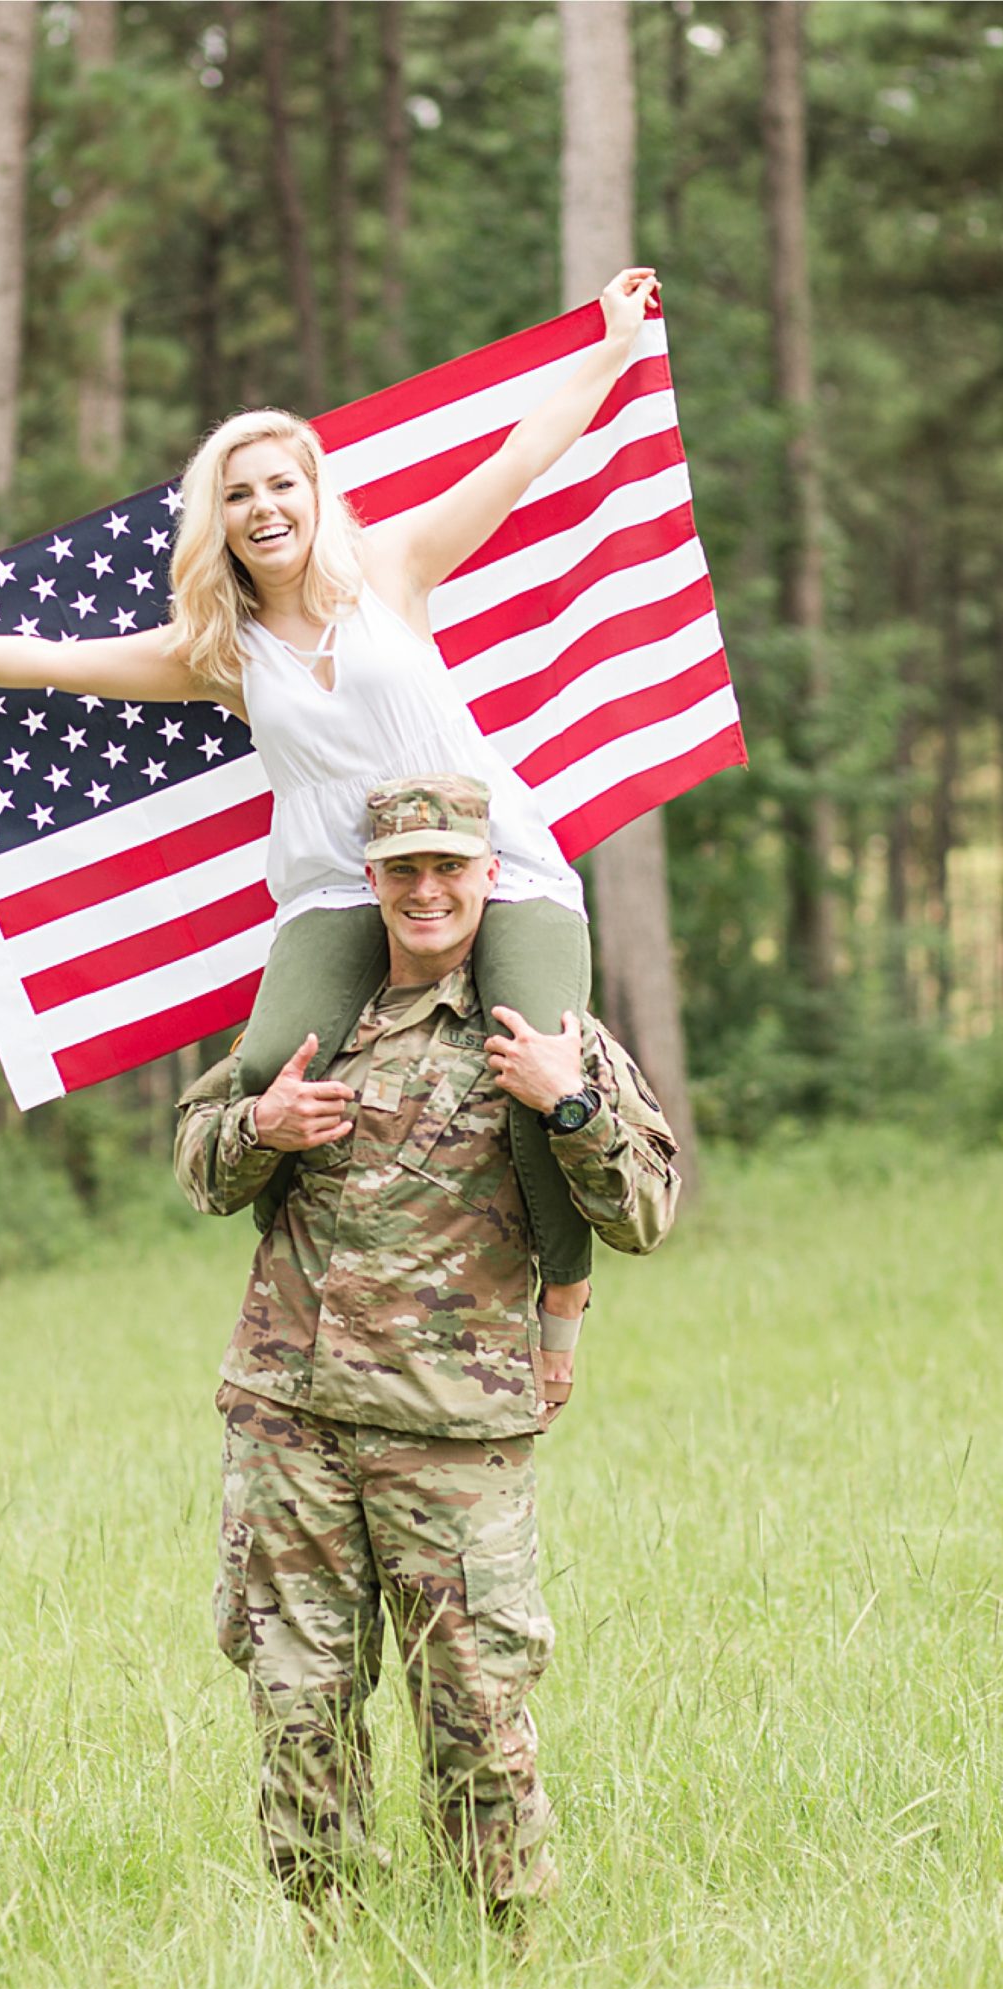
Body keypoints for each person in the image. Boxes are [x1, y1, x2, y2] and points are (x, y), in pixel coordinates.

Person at [0, 266, 661, 1380]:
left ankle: (560, 1303)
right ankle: (310, 1290)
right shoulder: (218, 652)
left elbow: (520, 451)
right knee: (271, 1065)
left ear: (316, 494)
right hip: (336, 882)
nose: (264, 508)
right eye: (238, 493)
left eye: (281, 485)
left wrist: (607, 344)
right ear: (216, 518)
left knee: (533, 1060)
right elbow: (56, 666)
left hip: (491, 859)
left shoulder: (395, 572)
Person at [172, 774, 680, 1913]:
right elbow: (199, 1161)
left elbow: (646, 1210)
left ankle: (505, 1968)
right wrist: (259, 1130)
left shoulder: (544, 1032)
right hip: (286, 1417)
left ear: (489, 876)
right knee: (298, 1706)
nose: (428, 889)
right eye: (404, 868)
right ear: (372, 880)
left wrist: (569, 1106)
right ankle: (330, 1961)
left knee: (475, 1713)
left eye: (449, 866)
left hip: (453, 1435)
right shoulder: (316, 1017)